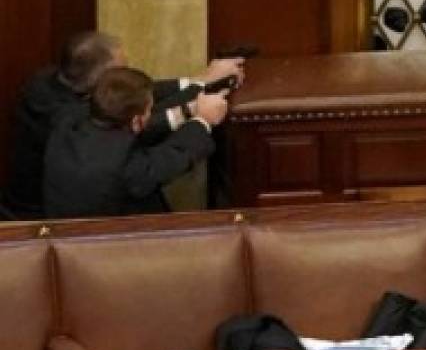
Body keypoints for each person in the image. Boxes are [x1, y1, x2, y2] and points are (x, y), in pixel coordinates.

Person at [2, 30, 245, 219]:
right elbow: (172, 155)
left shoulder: (68, 115)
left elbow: (130, 99)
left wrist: (199, 84)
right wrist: (201, 118)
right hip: (66, 232)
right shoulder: (117, 160)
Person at [42, 65, 227, 218]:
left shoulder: (67, 121)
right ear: (136, 121)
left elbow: (130, 123)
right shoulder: (124, 165)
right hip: (112, 246)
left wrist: (188, 109)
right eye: (150, 110)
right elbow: (174, 155)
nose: (151, 114)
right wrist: (203, 120)